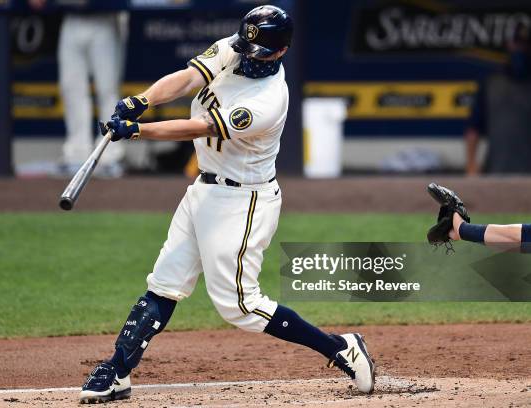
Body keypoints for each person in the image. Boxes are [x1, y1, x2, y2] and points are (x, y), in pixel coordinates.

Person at [78, 5, 375, 404]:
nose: (246, 56)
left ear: (280, 52)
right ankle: (117, 371)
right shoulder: (234, 48)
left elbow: (198, 127)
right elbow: (186, 79)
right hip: (203, 189)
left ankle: (340, 348)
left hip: (243, 200)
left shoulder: (267, 101)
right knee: (164, 283)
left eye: (258, 53)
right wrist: (141, 100)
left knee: (242, 306)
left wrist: (136, 131)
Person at [28, 0, 128, 177]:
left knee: (107, 89)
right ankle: (77, 153)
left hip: (104, 18)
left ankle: (109, 154)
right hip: (71, 18)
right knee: (71, 88)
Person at [465, 24, 531, 175]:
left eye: (525, 44)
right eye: (517, 44)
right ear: (509, 45)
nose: (521, 49)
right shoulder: (491, 84)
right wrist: (471, 166)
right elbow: (473, 129)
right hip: (497, 172)